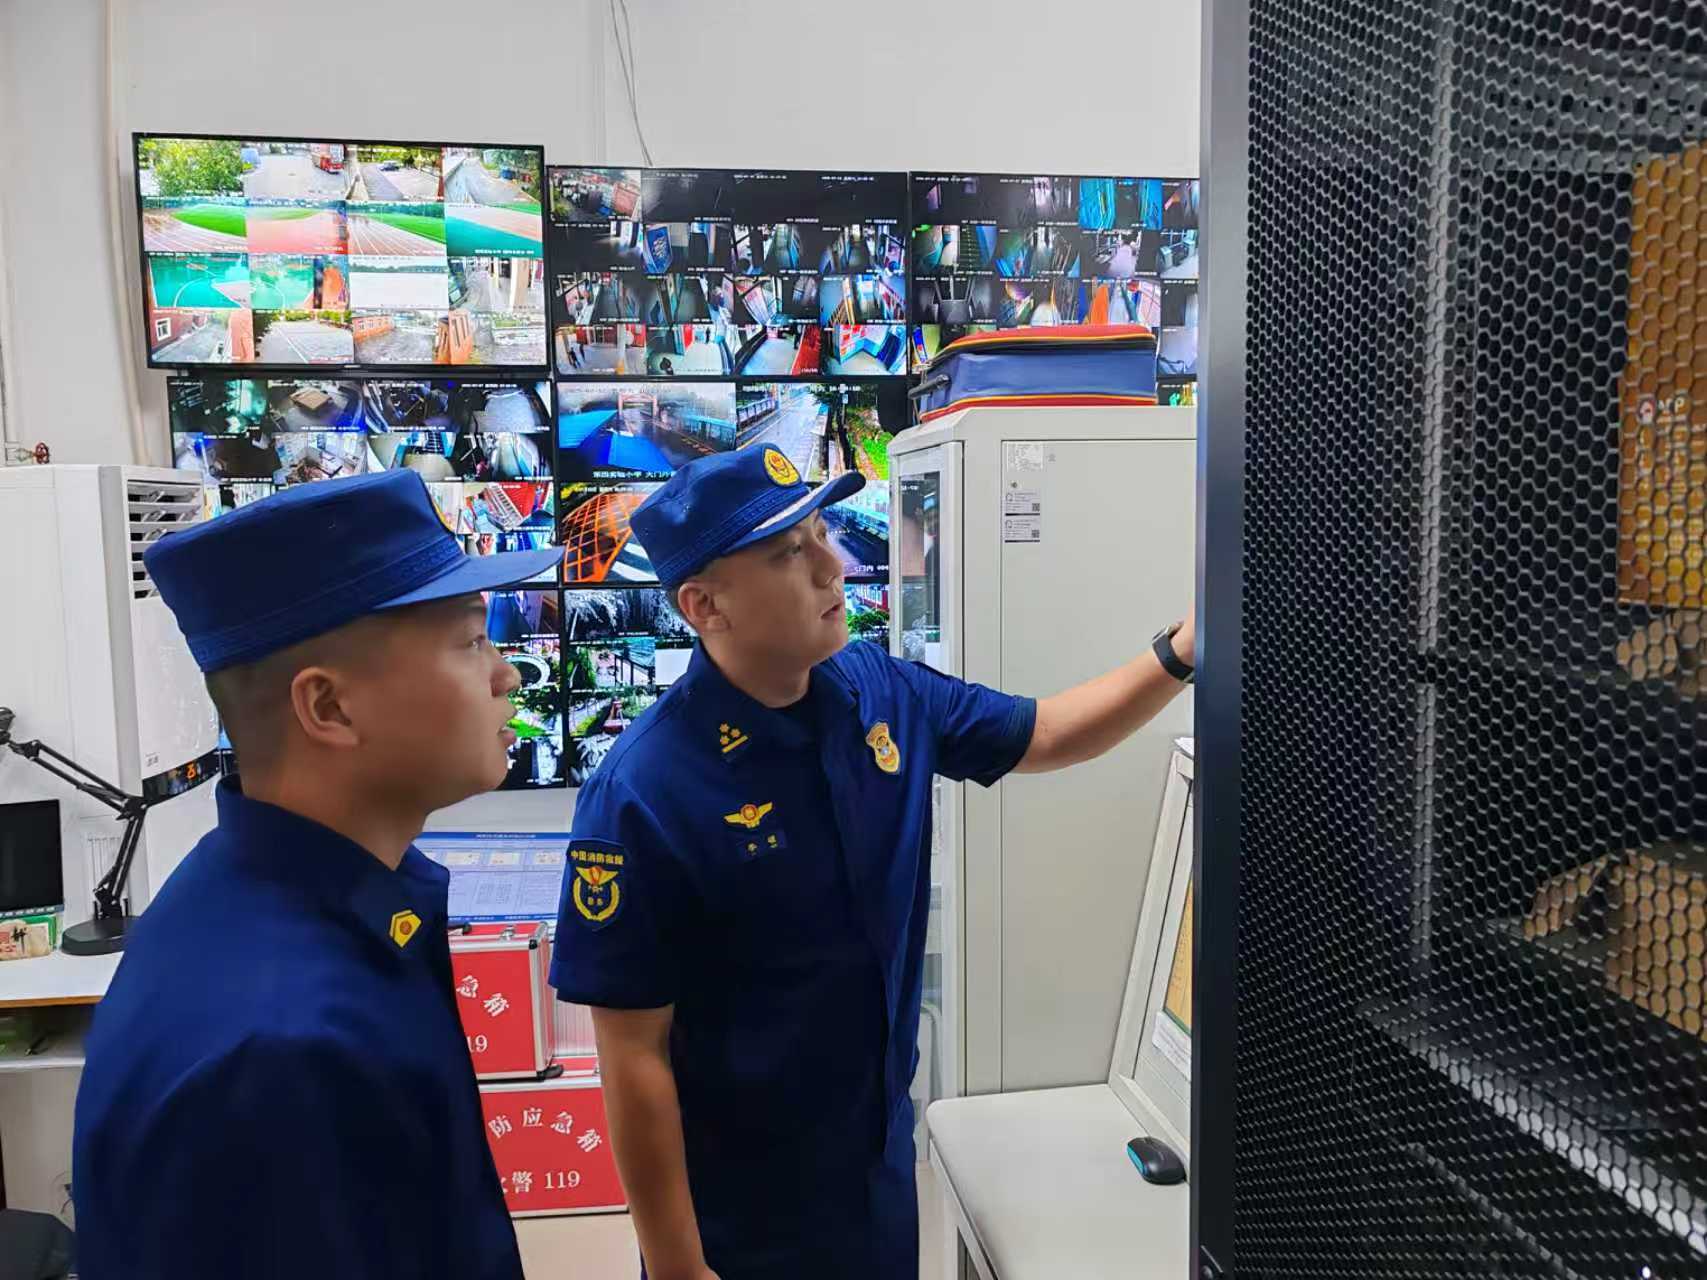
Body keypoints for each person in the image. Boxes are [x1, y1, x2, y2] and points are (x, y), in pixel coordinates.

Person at [551, 445, 1196, 1280]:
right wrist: (678, 1266)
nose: (834, 567)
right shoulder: (642, 792)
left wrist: (1181, 651)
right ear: (704, 605)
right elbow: (633, 1056)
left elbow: (1045, 733)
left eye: (821, 534)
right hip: (741, 1213)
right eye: (789, 554)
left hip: (876, 1166)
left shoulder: (880, 691)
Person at [73, 470, 560, 1280]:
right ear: (329, 708)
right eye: (472, 641)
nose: (507, 674)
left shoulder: (276, 898)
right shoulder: (281, 1055)